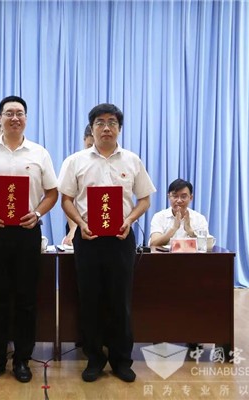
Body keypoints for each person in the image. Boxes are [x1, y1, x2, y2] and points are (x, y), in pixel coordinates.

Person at [58, 103, 156, 383]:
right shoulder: (75, 161)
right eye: (100, 122)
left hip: (121, 239)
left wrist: (130, 220)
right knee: (90, 300)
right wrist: (80, 223)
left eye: (112, 122)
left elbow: (144, 199)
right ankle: (94, 359)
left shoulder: (132, 160)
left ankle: (121, 360)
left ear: (119, 128)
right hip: (88, 238)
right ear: (92, 128)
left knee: (120, 300)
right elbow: (66, 199)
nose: (106, 128)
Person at [0, 95, 58, 383]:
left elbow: (52, 192)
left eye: (19, 113)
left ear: (26, 118)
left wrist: (37, 213)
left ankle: (22, 360)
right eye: (9, 113)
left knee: (26, 299)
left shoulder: (39, 153)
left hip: (27, 232)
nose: (14, 118)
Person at [149, 178, 208, 246]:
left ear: (191, 197)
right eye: (175, 196)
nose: (179, 200)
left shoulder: (200, 219)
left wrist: (190, 231)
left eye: (183, 196)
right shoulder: (159, 217)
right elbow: (153, 243)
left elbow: (205, 246)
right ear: (169, 197)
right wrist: (174, 228)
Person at [62, 124, 96, 245]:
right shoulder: (74, 161)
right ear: (84, 140)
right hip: (79, 223)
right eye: (90, 146)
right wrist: (73, 227)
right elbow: (67, 199)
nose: (94, 149)